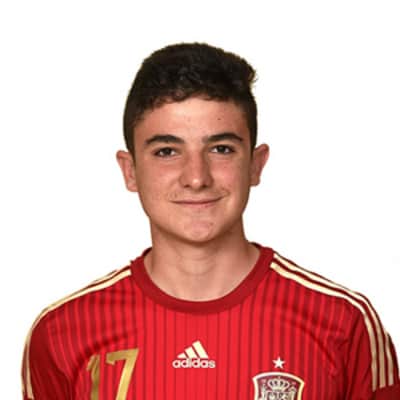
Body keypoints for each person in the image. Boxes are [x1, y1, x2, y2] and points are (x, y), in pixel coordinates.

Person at [21, 42, 400, 400]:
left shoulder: (343, 321)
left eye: (221, 149)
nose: (196, 177)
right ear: (130, 170)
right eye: (166, 151)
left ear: (255, 164)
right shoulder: (62, 332)